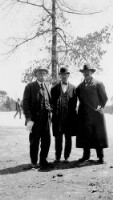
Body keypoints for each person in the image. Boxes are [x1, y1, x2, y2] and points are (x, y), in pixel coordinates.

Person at [76, 63, 108, 164]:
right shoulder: (80, 87)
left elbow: (104, 97)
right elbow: (80, 99)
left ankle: (101, 157)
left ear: (91, 72)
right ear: (83, 73)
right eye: (84, 72)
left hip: (96, 115)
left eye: (88, 72)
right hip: (84, 115)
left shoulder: (98, 84)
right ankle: (86, 155)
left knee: (98, 135)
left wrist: (100, 107)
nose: (86, 73)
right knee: (86, 135)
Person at [23, 68, 52, 168]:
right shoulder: (30, 87)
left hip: (46, 120)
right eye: (40, 73)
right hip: (34, 119)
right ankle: (34, 161)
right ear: (36, 75)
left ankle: (43, 160)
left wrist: (50, 110)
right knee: (34, 141)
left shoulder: (47, 86)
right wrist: (29, 118)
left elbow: (49, 102)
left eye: (44, 73)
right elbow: (25, 104)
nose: (42, 75)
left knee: (46, 141)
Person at [51, 66, 78, 163]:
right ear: (59, 75)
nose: (63, 76)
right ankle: (57, 157)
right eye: (62, 74)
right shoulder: (53, 89)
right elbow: (51, 104)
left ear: (68, 75)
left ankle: (67, 157)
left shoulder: (74, 88)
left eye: (65, 74)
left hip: (69, 119)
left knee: (68, 138)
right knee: (58, 138)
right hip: (58, 118)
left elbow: (75, 104)